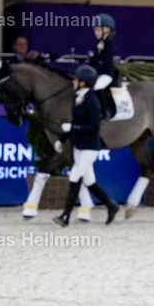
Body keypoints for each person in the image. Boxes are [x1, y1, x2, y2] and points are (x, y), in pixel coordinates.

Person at [52, 65, 119, 227]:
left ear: (83, 82)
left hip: (90, 147)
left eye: (76, 79)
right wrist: (62, 139)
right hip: (79, 145)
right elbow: (76, 122)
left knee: (75, 176)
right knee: (89, 181)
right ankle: (111, 205)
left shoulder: (92, 101)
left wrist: (73, 128)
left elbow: (94, 127)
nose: (73, 81)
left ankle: (66, 216)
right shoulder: (78, 98)